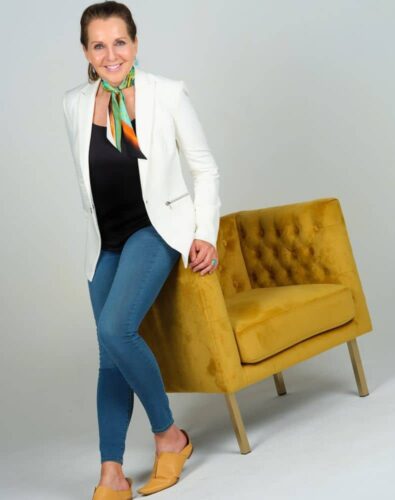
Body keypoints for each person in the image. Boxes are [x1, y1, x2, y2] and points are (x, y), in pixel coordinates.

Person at [62, 1, 221, 498]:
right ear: (86, 52)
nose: (111, 55)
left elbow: (204, 168)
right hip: (104, 240)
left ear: (135, 43)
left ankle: (169, 436)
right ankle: (111, 472)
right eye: (99, 45)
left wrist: (205, 233)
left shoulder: (167, 94)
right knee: (109, 354)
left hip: (155, 230)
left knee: (117, 328)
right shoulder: (73, 104)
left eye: (120, 42)